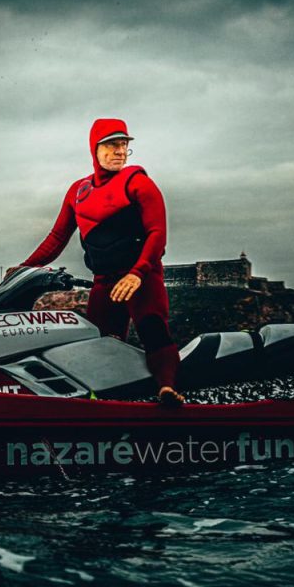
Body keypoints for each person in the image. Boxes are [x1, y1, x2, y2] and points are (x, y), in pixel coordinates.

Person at [17, 118, 184, 406]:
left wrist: (138, 273)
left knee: (152, 328)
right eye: (112, 144)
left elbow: (158, 234)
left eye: (124, 145)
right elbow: (57, 237)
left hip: (140, 277)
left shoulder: (138, 182)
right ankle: (111, 401)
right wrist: (23, 269)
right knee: (101, 341)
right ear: (94, 148)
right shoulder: (78, 192)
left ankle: (167, 390)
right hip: (104, 280)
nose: (120, 151)